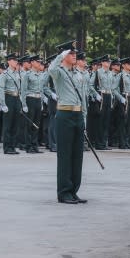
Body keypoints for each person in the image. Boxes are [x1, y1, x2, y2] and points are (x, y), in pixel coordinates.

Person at [48, 40, 87, 204]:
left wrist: (84, 118)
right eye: (71, 53)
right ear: (64, 56)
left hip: (78, 115)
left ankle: (73, 190)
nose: (74, 55)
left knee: (77, 156)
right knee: (65, 156)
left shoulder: (78, 74)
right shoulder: (60, 73)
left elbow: (83, 97)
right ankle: (64, 192)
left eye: (74, 53)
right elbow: (51, 69)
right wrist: (61, 55)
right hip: (64, 115)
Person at [20, 55, 47, 153]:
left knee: (37, 124)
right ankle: (28, 146)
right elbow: (23, 90)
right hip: (30, 99)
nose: (39, 63)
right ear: (32, 63)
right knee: (29, 124)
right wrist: (24, 104)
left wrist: (42, 102)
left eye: (39, 61)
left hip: (38, 100)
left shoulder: (41, 74)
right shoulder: (27, 74)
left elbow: (42, 90)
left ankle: (35, 145)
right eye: (37, 61)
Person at [1, 53, 22, 155]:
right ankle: (7, 147)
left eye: (16, 60)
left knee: (15, 124)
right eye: (13, 60)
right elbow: (1, 89)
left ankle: (13, 146)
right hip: (8, 98)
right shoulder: (5, 74)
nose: (16, 62)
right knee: (8, 125)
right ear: (9, 61)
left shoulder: (17, 74)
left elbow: (20, 89)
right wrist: (3, 103)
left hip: (16, 98)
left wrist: (21, 102)